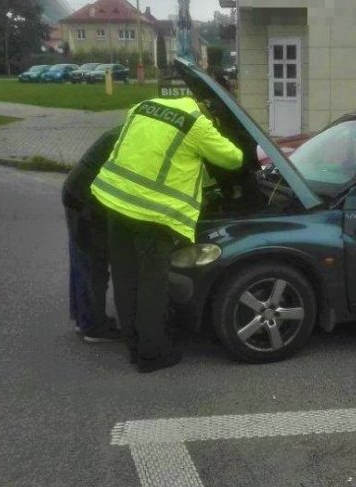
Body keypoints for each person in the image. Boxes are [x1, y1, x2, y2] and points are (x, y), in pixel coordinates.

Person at [91, 96, 242, 373]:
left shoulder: (142, 105)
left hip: (114, 200)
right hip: (153, 213)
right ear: (202, 108)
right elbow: (233, 159)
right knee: (152, 284)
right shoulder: (196, 123)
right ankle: (153, 354)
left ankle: (134, 346)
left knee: (126, 278)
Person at [63, 127, 122, 342]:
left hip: (75, 192)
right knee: (93, 266)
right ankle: (94, 328)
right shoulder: (132, 137)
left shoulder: (128, 128)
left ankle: (83, 319)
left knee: (81, 263)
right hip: (86, 201)